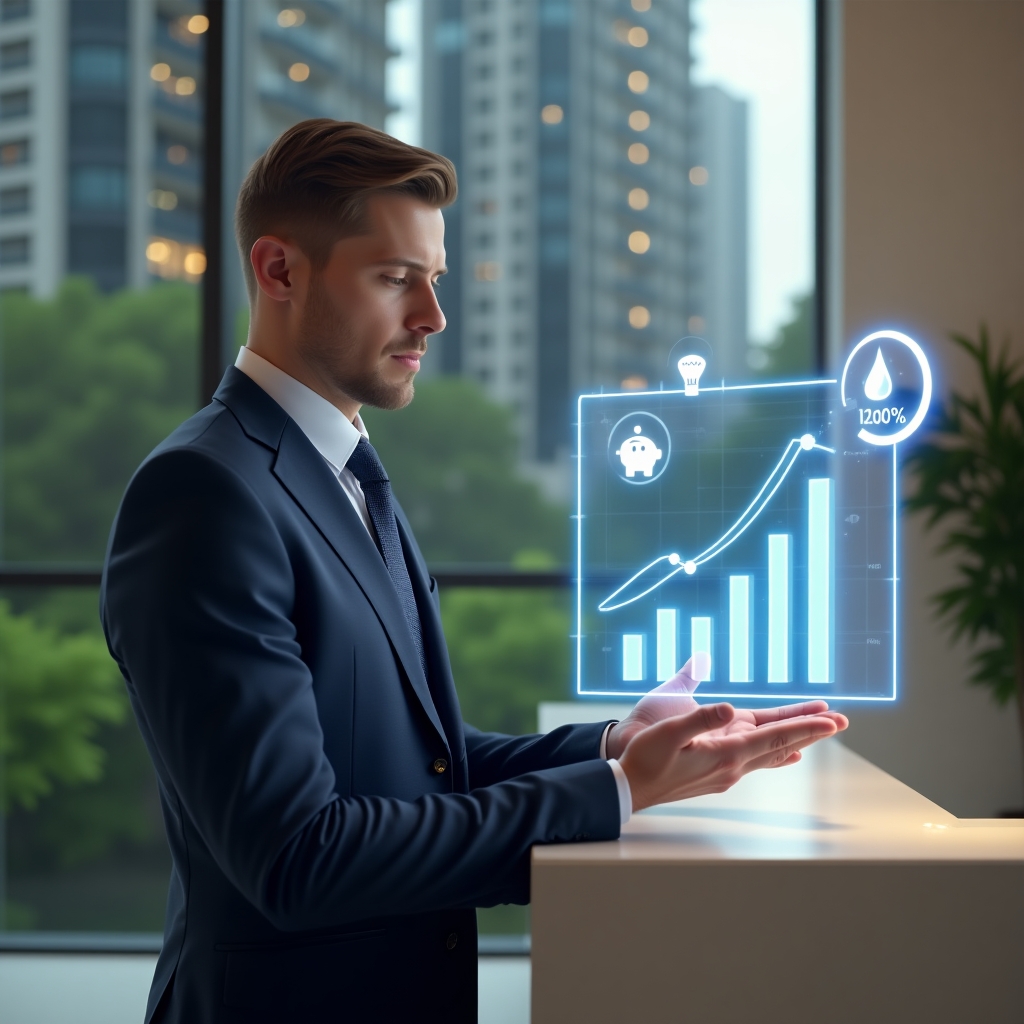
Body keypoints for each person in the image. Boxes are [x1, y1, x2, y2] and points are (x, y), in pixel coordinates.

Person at [101, 119, 846, 1024]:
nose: (433, 318)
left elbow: (416, 761)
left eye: (435, 281)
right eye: (395, 279)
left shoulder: (342, 471)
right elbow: (298, 855)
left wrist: (613, 745)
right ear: (280, 270)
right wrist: (614, 794)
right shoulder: (203, 495)